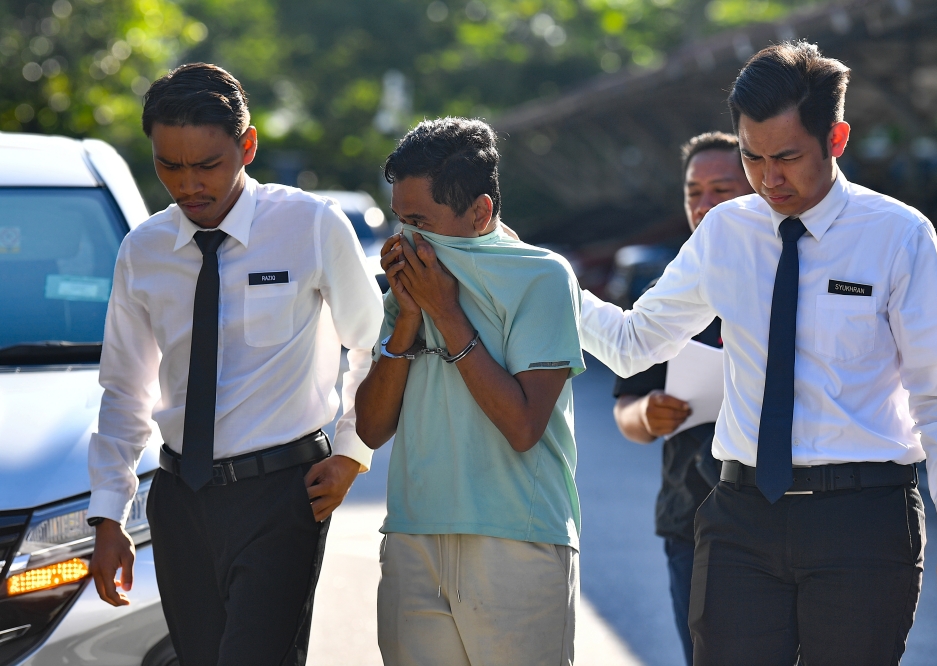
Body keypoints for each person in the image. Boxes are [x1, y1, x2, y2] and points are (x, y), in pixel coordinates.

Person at [581, 42, 937, 664]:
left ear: (837, 138)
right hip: (740, 519)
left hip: (865, 521)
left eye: (788, 157)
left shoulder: (900, 237)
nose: (769, 178)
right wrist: (546, 280)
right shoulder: (725, 232)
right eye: (752, 157)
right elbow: (636, 344)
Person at [86, 63, 383, 665]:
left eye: (207, 165)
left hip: (282, 494)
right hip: (178, 502)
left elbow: (371, 343)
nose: (188, 184)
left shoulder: (311, 225)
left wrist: (353, 452)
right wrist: (108, 516)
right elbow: (124, 388)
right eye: (169, 165)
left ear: (246, 146)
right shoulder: (142, 250)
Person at [355, 117, 585, 666]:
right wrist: (408, 318)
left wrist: (445, 312)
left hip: (517, 544)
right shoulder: (407, 286)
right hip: (414, 538)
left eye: (421, 222)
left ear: (480, 212)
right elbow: (370, 427)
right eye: (400, 220)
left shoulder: (542, 277)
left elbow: (523, 426)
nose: (408, 239)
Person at [611, 131, 753, 665]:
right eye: (694, 191)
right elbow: (625, 407)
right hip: (690, 515)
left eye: (722, 189)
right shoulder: (667, 288)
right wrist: (647, 415)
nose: (704, 205)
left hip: (784, 516)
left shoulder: (796, 274)